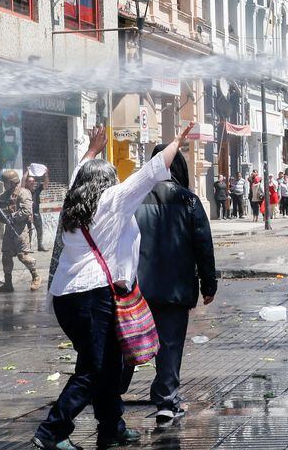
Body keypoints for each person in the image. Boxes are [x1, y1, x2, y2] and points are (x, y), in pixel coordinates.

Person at [32, 122, 194, 450]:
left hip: (66, 298)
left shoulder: (73, 204)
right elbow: (152, 171)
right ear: (107, 183)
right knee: (93, 368)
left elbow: (81, 171)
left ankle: (111, 427)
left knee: (107, 363)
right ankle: (52, 431)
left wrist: (92, 149)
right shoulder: (113, 201)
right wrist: (176, 141)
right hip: (92, 298)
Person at [129, 144, 217, 428]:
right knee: (169, 345)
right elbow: (203, 245)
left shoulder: (133, 198)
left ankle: (110, 398)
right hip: (175, 288)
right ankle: (166, 402)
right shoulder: (189, 200)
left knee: (129, 343)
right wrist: (208, 284)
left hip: (137, 288)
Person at [0, 169, 40, 293]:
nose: (4, 185)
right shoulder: (4, 196)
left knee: (23, 256)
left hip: (21, 230)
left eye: (6, 182)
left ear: (13, 182)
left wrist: (12, 216)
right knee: (6, 256)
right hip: (9, 230)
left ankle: (36, 277)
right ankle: (8, 283)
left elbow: (26, 210)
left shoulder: (23, 193)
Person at [24, 166, 50, 251]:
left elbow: (46, 185)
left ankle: (40, 246)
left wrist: (46, 174)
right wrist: (27, 171)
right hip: (26, 213)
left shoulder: (37, 189)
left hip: (36, 212)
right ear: (27, 182)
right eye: (30, 181)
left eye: (33, 181)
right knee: (28, 231)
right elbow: (22, 182)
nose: (32, 182)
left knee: (39, 229)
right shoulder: (24, 190)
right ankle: (28, 247)